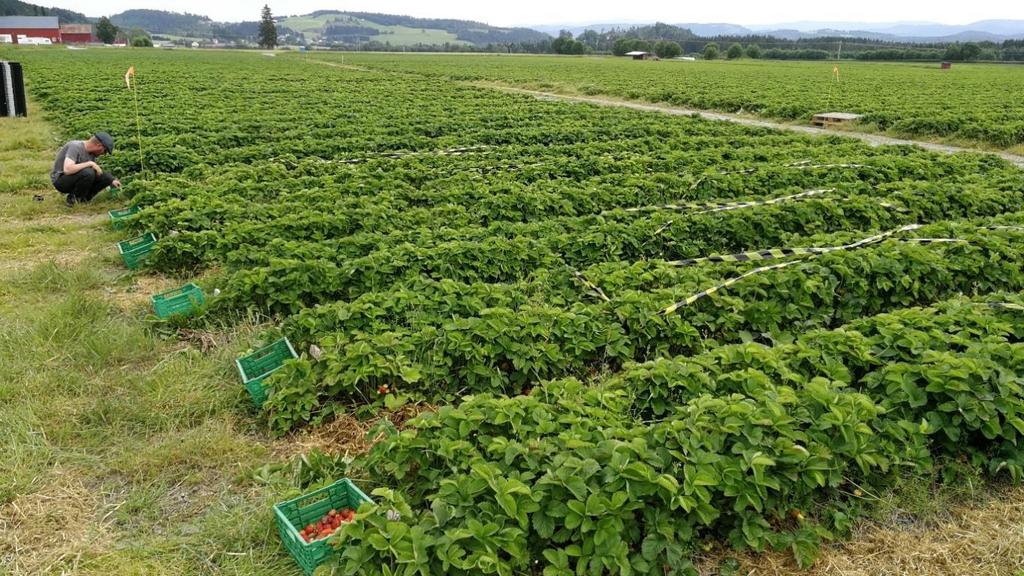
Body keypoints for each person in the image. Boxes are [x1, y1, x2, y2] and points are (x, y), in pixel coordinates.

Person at [51, 132, 121, 205]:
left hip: (77, 177)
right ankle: (73, 200)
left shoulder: (92, 154)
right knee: (88, 173)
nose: (104, 154)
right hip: (61, 181)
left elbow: (97, 172)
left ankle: (83, 200)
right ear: (99, 146)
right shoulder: (75, 146)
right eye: (105, 151)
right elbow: (67, 170)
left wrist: (111, 180)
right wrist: (90, 163)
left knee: (107, 177)